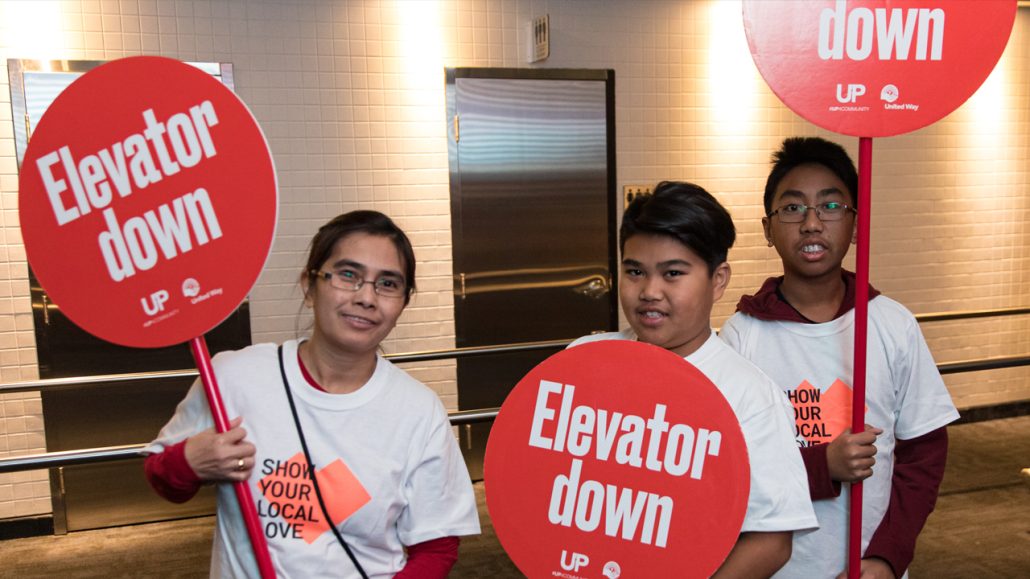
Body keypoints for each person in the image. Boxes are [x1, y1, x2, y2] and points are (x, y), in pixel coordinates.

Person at [144, 210, 481, 578]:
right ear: (309, 285)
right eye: (348, 275)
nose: (366, 297)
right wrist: (189, 462)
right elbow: (163, 479)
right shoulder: (233, 377)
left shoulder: (419, 411)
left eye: (388, 284)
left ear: (403, 303)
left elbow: (436, 547)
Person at [720, 137, 959, 579]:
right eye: (792, 208)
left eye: (830, 207)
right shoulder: (742, 337)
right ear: (768, 229)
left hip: (868, 566)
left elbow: (922, 457)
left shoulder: (891, 324)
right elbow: (728, 470)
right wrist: (821, 466)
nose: (812, 223)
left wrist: (887, 557)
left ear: (856, 223)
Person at [570, 181, 817, 577]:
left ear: (718, 280)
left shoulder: (748, 395)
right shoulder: (584, 362)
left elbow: (772, 539)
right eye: (635, 271)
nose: (649, 291)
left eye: (672, 273)